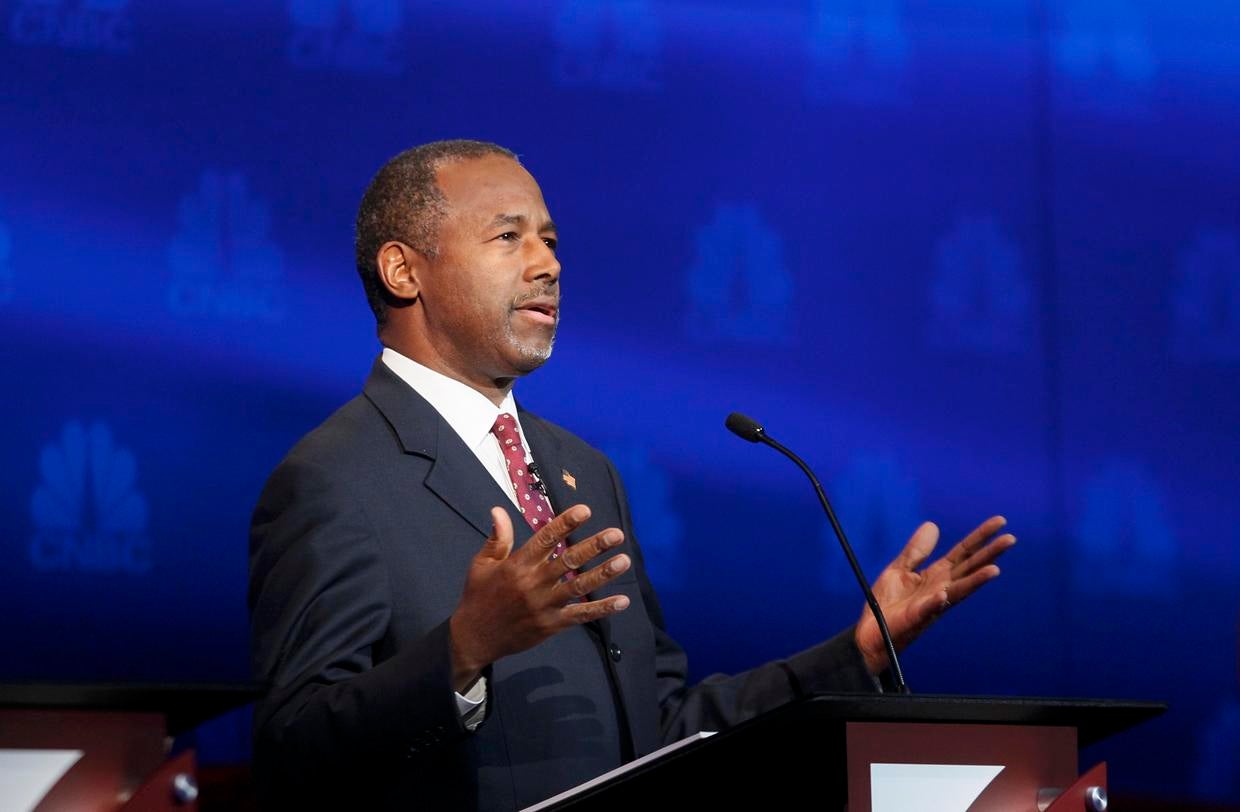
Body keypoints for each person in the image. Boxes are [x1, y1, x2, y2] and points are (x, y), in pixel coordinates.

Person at [248, 139, 1015, 810]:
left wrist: (856, 656)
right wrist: (462, 649)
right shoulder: (335, 477)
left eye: (548, 240)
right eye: (508, 237)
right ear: (403, 270)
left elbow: (659, 732)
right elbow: (293, 749)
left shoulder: (583, 471)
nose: (547, 264)